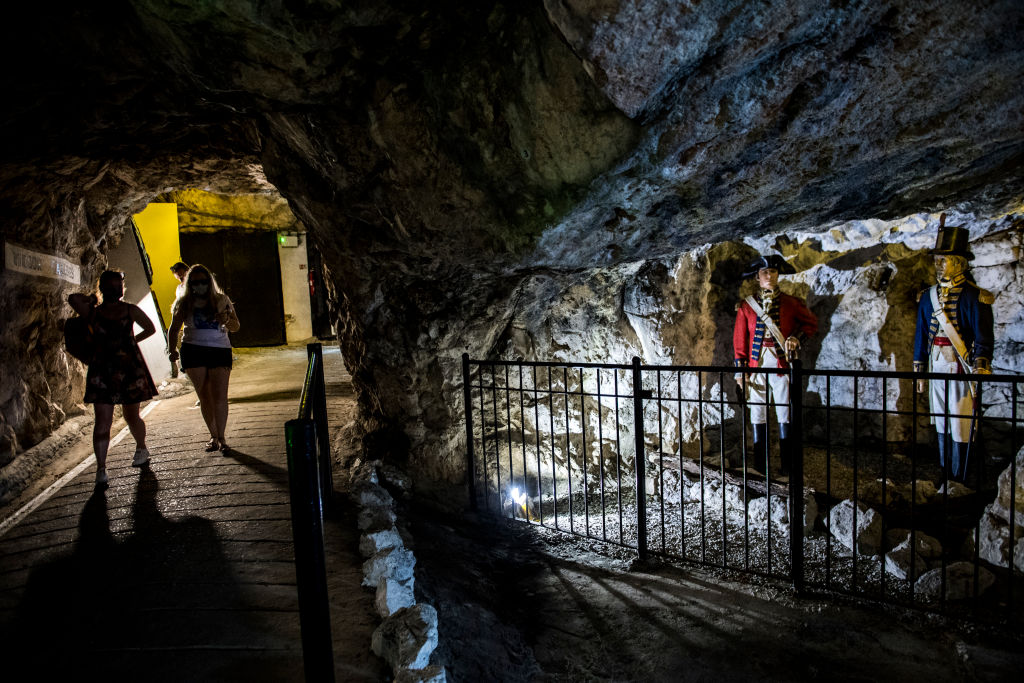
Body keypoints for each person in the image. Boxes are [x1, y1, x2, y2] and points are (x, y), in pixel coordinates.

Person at [913, 215, 994, 483]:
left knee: (961, 422)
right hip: (937, 363)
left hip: (960, 364)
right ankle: (945, 472)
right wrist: (920, 369)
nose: (938, 265)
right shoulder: (927, 297)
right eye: (936, 259)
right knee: (941, 419)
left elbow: (983, 336)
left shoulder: (974, 296)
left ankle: (962, 476)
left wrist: (981, 363)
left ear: (958, 263)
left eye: (943, 259)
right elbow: (922, 334)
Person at [733, 254, 818, 476]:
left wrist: (796, 337)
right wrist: (741, 373)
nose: (769, 275)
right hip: (755, 365)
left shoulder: (791, 303)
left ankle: (787, 466)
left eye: (773, 272)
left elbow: (810, 323)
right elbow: (740, 341)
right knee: (757, 413)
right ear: (757, 278)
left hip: (781, 363)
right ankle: (761, 467)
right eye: (764, 272)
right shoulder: (747, 306)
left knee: (784, 412)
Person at [83, 270, 159, 487]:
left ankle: (141, 448)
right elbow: (73, 300)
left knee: (130, 416)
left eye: (117, 285)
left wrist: (132, 341)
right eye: (112, 285)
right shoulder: (98, 311)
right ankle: (101, 469)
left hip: (116, 369)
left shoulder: (123, 310)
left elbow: (150, 328)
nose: (116, 289)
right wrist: (132, 342)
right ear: (105, 288)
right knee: (104, 422)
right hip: (116, 369)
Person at [167, 265, 240, 452]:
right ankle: (214, 436)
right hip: (193, 350)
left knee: (220, 396)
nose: (200, 286)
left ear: (210, 282)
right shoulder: (184, 303)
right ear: (190, 284)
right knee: (204, 395)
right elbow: (174, 328)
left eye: (203, 282)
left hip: (219, 350)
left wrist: (225, 319)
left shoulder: (221, 300)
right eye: (195, 282)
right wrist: (171, 350)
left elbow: (235, 326)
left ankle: (222, 437)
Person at [167, 262, 189, 378]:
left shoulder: (200, 288)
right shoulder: (180, 289)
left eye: (183, 276)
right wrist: (171, 349)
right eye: (179, 277)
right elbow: (174, 327)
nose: (181, 279)